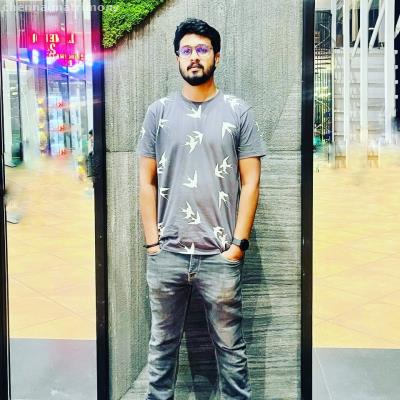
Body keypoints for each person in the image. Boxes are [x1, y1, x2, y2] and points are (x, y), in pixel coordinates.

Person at [137, 18, 266, 400]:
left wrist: (238, 245)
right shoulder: (158, 112)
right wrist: (153, 244)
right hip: (167, 254)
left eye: (202, 49)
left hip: (220, 257)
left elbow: (251, 182)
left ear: (217, 57)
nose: (194, 57)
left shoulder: (238, 111)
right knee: (161, 347)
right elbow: (146, 181)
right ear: (178, 57)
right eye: (187, 50)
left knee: (230, 348)